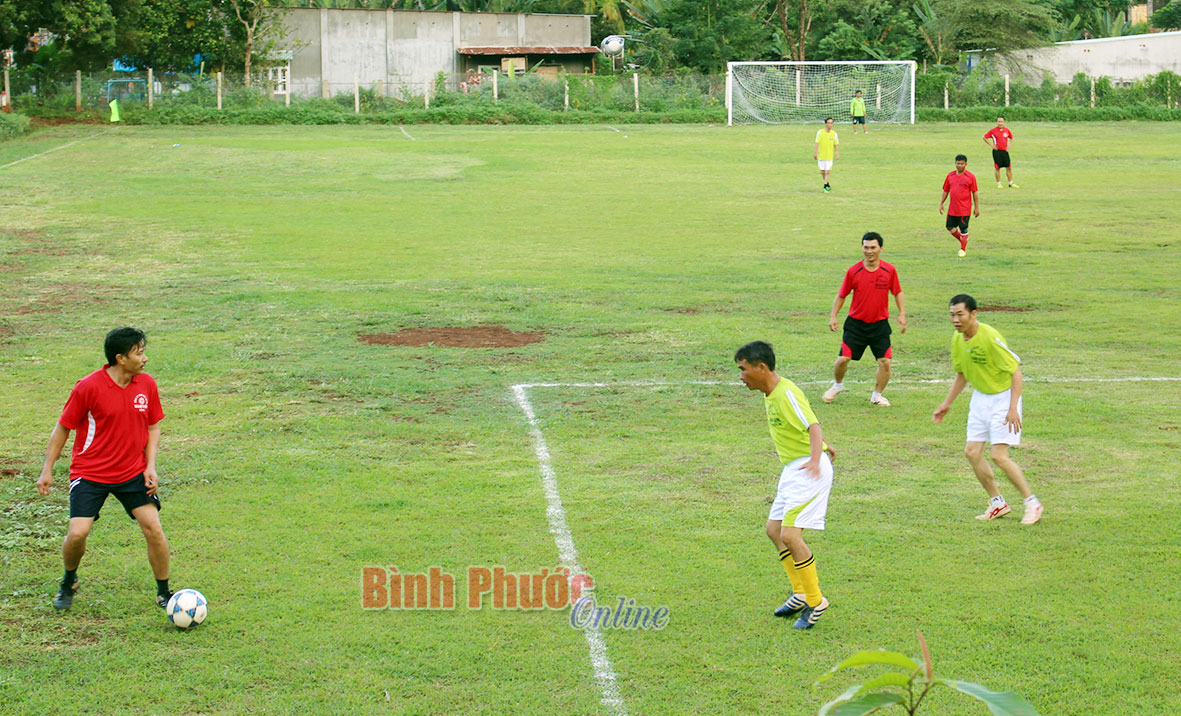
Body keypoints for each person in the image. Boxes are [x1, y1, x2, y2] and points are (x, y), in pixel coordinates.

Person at [36, 327, 172, 610]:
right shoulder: (88, 387)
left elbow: (153, 426)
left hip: (132, 472)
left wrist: (150, 466)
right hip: (91, 473)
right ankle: (69, 580)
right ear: (120, 358)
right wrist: (47, 469)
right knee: (77, 534)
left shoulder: (146, 384)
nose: (145, 358)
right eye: (139, 353)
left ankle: (165, 593)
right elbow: (63, 428)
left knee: (154, 529)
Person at [735, 341, 836, 629]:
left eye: (743, 370)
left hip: (808, 469)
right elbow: (803, 428)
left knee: (791, 535)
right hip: (794, 468)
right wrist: (826, 448)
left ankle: (816, 601)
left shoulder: (786, 394)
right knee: (774, 530)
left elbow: (812, 426)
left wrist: (817, 458)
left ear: (761, 367)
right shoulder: (771, 393)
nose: (740, 376)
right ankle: (800, 593)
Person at [932, 295, 1044, 525]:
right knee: (972, 452)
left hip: (1003, 398)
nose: (955, 319)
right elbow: (962, 373)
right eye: (952, 315)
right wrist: (947, 403)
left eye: (960, 314)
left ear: (974, 314)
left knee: (998, 456)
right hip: (980, 398)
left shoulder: (990, 337)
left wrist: (1013, 408)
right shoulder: (957, 339)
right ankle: (997, 502)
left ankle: (1032, 503)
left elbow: (1016, 373)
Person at [823, 232, 907, 407]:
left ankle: (877, 396)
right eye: (866, 247)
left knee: (885, 362)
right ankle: (837, 385)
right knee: (843, 359)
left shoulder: (889, 270)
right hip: (856, 325)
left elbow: (897, 292)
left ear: (881, 249)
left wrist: (902, 314)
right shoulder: (854, 271)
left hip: (880, 326)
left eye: (873, 247)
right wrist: (833, 317)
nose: (869, 251)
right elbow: (841, 295)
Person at [940, 154, 979, 258]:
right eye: (958, 163)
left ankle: (963, 249)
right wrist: (941, 203)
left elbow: (974, 192)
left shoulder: (970, 177)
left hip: (964, 209)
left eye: (962, 164)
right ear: (955, 163)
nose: (959, 166)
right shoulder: (950, 176)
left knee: (964, 228)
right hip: (953, 208)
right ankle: (963, 240)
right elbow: (946, 190)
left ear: (966, 164)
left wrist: (976, 207)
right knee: (949, 227)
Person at [983, 117, 1018, 189]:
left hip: (1005, 151)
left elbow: (1011, 137)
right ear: (996, 122)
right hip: (997, 152)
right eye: (998, 121)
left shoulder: (1007, 130)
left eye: (1001, 121)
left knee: (1008, 167)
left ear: (1004, 122)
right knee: (997, 168)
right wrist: (991, 145)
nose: (1000, 123)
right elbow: (984, 137)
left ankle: (1010, 183)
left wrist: (1009, 145)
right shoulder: (993, 131)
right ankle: (999, 183)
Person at [814, 117, 839, 193]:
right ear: (825, 124)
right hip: (821, 155)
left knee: (828, 171)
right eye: (828, 123)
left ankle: (825, 186)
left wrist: (837, 152)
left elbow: (836, 144)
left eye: (831, 123)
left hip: (829, 156)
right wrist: (815, 152)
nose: (830, 124)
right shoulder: (820, 132)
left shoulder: (834, 134)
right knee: (822, 172)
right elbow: (817, 143)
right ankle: (827, 184)